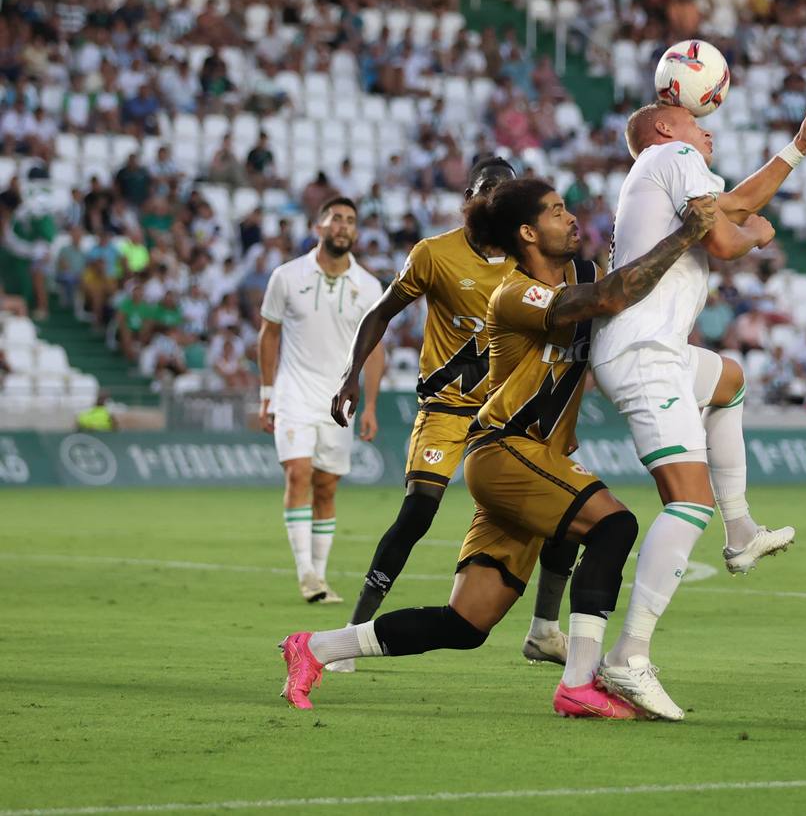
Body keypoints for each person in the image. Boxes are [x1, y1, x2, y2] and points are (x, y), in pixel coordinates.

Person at [279, 181, 721, 716]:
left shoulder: (585, 272)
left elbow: (627, 291)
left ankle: (316, 648)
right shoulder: (513, 293)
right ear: (529, 233)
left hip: (534, 458)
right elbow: (609, 298)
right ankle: (580, 682)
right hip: (505, 448)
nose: (572, 217)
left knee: (465, 624)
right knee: (614, 525)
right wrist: (685, 233)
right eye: (557, 212)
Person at [589, 102, 806, 721]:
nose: (708, 129)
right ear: (665, 127)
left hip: (663, 351)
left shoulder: (669, 170)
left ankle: (741, 531)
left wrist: (796, 149)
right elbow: (729, 235)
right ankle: (629, 655)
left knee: (729, 380)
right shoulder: (671, 156)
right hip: (644, 351)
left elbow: (729, 208)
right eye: (695, 119)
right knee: (686, 500)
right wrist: (757, 232)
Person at [328, 158, 579, 670]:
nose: (495, 201)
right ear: (470, 196)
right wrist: (351, 374)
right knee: (418, 511)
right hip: (447, 407)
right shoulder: (434, 254)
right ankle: (352, 631)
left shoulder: (529, 262)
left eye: (506, 194)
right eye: (488, 192)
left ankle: (545, 630)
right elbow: (381, 313)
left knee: (564, 514)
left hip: (510, 415)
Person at [258, 197, 385, 621]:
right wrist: (266, 393)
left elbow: (376, 350)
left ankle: (321, 573)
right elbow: (268, 334)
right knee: (299, 473)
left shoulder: (369, 286)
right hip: (293, 394)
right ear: (319, 227)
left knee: (327, 486)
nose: (343, 226)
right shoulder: (287, 276)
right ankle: (306, 573)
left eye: (350, 220)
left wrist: (370, 405)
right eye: (336, 219)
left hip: (340, 400)